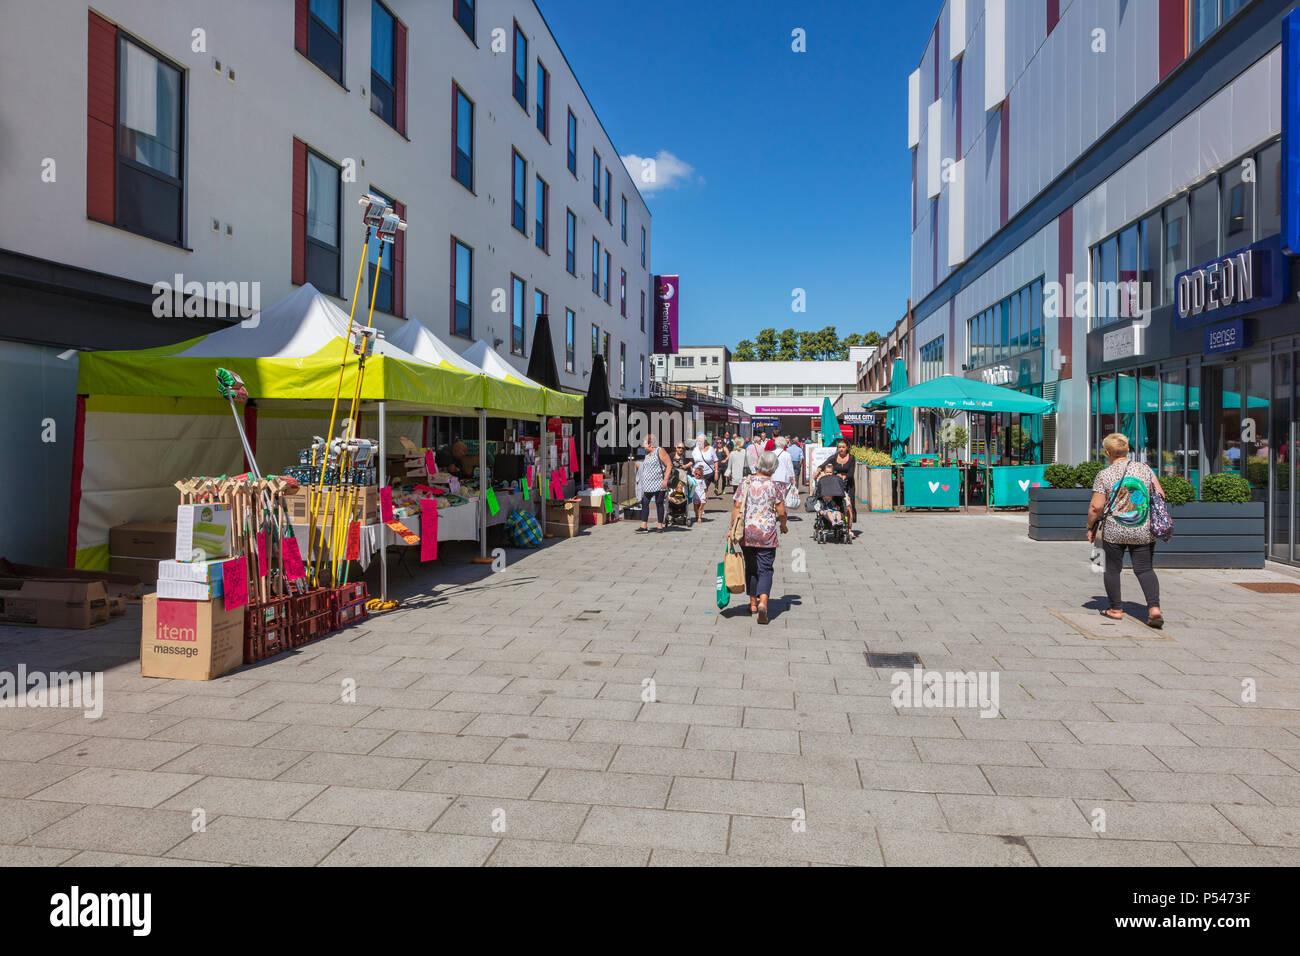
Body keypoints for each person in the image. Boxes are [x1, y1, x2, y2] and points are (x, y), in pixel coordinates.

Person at [1087, 432, 1164, 628]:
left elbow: (1096, 507)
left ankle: (1115, 609)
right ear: (1127, 449)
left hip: (1114, 530)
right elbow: (1160, 494)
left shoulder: (1104, 474)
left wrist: (1090, 527)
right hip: (1143, 528)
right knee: (1145, 569)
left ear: (1107, 452)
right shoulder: (1146, 470)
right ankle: (1154, 609)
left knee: (1112, 569)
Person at [730, 451, 789, 624]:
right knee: (766, 568)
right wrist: (783, 525)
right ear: (773, 468)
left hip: (747, 532)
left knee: (751, 566)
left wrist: (731, 528)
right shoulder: (774, 486)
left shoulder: (745, 482)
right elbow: (781, 511)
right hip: (766, 534)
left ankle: (753, 604)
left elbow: (737, 506)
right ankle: (764, 602)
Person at [819, 438, 857, 539]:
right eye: (839, 447)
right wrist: (817, 471)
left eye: (843, 447)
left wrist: (844, 476)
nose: (841, 449)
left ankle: (849, 529)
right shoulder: (834, 457)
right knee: (838, 505)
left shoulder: (852, 458)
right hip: (836, 487)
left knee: (849, 507)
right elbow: (824, 465)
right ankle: (836, 523)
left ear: (847, 448)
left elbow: (851, 473)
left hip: (848, 485)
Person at [635, 434, 672, 533]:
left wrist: (665, 480)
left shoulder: (660, 450)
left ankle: (660, 526)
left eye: (644, 443)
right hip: (647, 484)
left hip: (659, 482)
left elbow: (669, 465)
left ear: (650, 443)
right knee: (645, 503)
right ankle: (644, 526)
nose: (643, 446)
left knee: (659, 503)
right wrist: (640, 465)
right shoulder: (647, 454)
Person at [690, 433, 717, 522]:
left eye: (701, 441)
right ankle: (697, 509)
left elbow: (715, 461)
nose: (700, 443)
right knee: (697, 491)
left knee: (704, 489)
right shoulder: (695, 450)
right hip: (697, 474)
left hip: (708, 473)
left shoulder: (711, 449)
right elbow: (691, 460)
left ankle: (701, 506)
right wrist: (691, 469)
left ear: (705, 441)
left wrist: (716, 472)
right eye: (699, 441)